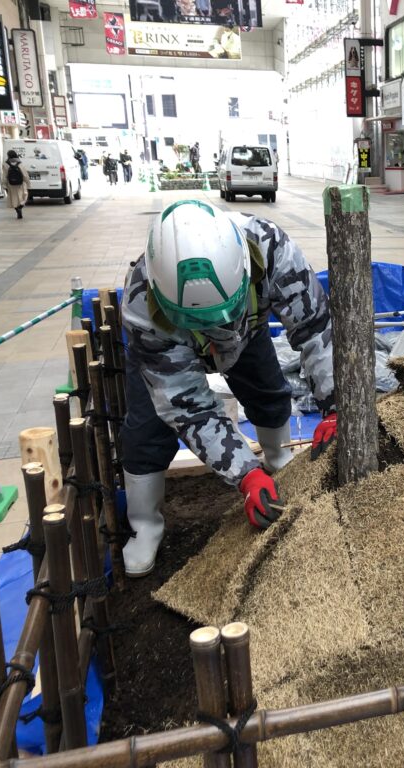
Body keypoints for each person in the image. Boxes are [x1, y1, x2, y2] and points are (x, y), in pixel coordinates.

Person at [120, 201, 338, 577]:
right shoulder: (142, 306)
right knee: (146, 431)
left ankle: (278, 463)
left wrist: (337, 404)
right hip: (171, 352)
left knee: (269, 393)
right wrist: (244, 474)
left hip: (247, 331)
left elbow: (315, 328)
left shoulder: (271, 249)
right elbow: (190, 408)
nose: (212, 328)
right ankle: (145, 524)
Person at [2, 150, 28, 220]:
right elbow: (25, 174)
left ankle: (17, 210)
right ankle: (21, 206)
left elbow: (4, 176)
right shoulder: (20, 163)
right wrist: (28, 183)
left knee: (14, 199)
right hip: (20, 184)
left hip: (11, 184)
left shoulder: (5, 164)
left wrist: (4, 185)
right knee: (23, 197)